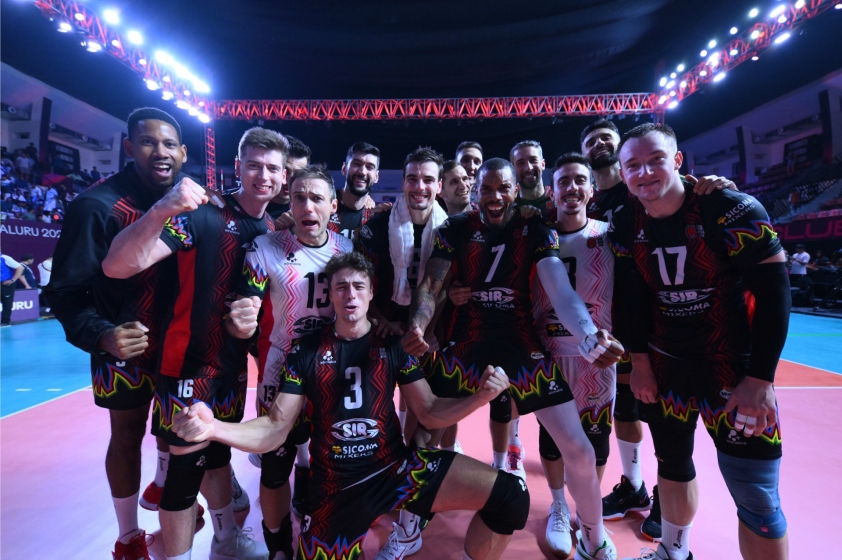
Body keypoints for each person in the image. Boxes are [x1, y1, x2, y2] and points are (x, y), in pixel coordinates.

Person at [173, 251, 530, 560]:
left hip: (395, 470)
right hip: (336, 486)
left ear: (371, 292)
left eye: (359, 286)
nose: (350, 294)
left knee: (511, 496)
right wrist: (215, 428)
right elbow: (275, 427)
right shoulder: (305, 351)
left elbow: (429, 410)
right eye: (341, 286)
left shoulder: (391, 345)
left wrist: (479, 398)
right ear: (330, 294)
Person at [406, 158, 624, 560]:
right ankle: (408, 522)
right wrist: (419, 325)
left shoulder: (536, 227)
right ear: (476, 191)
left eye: (503, 188)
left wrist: (588, 335)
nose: (495, 197)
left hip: (521, 343)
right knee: (423, 435)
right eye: (487, 189)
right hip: (466, 342)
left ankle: (593, 538)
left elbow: (560, 289)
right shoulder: (455, 228)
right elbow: (431, 284)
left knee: (579, 449)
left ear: (516, 190)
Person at [102, 127, 288, 560]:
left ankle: (225, 540)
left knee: (217, 456)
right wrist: (161, 209)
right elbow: (117, 265)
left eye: (272, 169)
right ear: (237, 167)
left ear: (284, 177)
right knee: (184, 474)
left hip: (232, 367)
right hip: (187, 365)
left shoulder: (271, 229)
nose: (263, 176)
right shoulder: (203, 215)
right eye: (254, 165)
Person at [609, 123, 789, 560]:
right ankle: (674, 553)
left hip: (732, 370)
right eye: (633, 165)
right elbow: (631, 299)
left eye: (655, 160)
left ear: (677, 160)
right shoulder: (625, 220)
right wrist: (640, 364)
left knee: (757, 496)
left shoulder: (730, 208)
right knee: (671, 466)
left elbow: (775, 295)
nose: (644, 172)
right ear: (622, 172)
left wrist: (760, 379)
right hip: (666, 368)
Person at [45, 107, 193, 560]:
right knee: (127, 436)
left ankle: (167, 492)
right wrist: (103, 335)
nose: (160, 152)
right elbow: (64, 294)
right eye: (148, 142)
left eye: (169, 144)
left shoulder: (197, 203)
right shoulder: (95, 207)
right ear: (129, 147)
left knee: (180, 432)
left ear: (183, 153)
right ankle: (128, 537)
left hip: (183, 345)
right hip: (123, 349)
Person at [580, 118, 736, 540]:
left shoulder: (651, 190)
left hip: (659, 325)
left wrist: (716, 185)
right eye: (590, 141)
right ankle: (633, 486)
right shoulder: (589, 202)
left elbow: (687, 196)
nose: (598, 144)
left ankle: (667, 499)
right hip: (611, 322)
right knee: (625, 409)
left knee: (663, 420)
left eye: (606, 138)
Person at [236, 164, 353, 560]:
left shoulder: (347, 250)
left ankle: (320, 535)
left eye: (317, 198)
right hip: (278, 374)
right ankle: (278, 547)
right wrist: (242, 316)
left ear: (332, 206)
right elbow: (247, 302)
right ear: (290, 201)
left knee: (330, 465)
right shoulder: (264, 248)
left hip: (329, 375)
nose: (307, 206)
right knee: (274, 470)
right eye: (299, 197)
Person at [356, 147, 450, 558]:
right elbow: (360, 280)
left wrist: (425, 329)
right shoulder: (377, 225)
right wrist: (381, 320)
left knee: (424, 415)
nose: (420, 186)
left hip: (427, 332)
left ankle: (411, 496)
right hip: (380, 328)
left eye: (428, 179)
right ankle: (378, 482)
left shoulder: (451, 227)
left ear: (439, 185)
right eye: (413, 178)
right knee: (375, 413)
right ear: (403, 182)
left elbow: (443, 285)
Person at [531, 153, 618, 557]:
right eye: (563, 181)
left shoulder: (610, 234)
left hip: (598, 358)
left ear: (592, 188)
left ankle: (589, 514)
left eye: (580, 180)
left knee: (596, 441)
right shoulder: (538, 236)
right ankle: (559, 506)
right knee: (553, 440)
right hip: (551, 353)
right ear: (552, 191)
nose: (572, 187)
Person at [331, 142, 381, 238]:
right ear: (344, 168)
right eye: (356, 164)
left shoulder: (375, 218)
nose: (362, 172)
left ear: (376, 176)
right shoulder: (325, 205)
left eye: (369, 167)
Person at [1, 253, 26, 326]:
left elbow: (20, 267)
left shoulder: (5, 258)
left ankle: (5, 322)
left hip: (5, 284)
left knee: (7, 303)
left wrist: (13, 280)